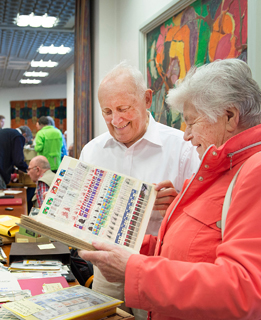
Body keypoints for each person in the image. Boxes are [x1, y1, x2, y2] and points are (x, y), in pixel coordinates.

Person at [79, 59, 261, 320]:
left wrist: (134, 268)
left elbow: (249, 288)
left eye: (192, 123)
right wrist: (135, 251)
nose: (186, 135)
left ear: (229, 117)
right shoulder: (222, 167)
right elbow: (193, 249)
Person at [78, 61, 200, 318]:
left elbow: (203, 219)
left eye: (123, 108)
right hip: (106, 270)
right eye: (107, 111)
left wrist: (179, 204)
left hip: (157, 269)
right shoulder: (92, 151)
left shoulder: (183, 147)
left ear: (147, 99)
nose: (116, 120)